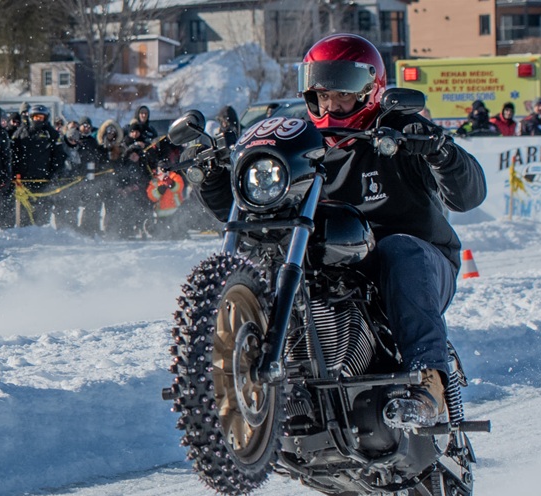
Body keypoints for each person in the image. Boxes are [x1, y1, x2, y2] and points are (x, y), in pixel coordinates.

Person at [196, 34, 486, 427]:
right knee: (272, 256)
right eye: (322, 94)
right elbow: (260, 220)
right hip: (338, 262)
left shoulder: (398, 131)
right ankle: (241, 379)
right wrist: (217, 177)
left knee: (400, 250)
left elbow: (469, 195)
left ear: (371, 89)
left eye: (342, 94)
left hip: (418, 264)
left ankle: (428, 381)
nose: (331, 105)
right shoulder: (302, 144)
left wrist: (440, 149)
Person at [12, 104, 65, 226]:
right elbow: (13, 154)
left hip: (44, 179)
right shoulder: (21, 132)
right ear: (31, 117)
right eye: (36, 117)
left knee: (43, 211)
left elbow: (59, 156)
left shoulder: (51, 134)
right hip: (24, 180)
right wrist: (15, 173)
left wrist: (54, 174)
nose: (38, 120)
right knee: (24, 212)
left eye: (41, 117)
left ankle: (41, 232)